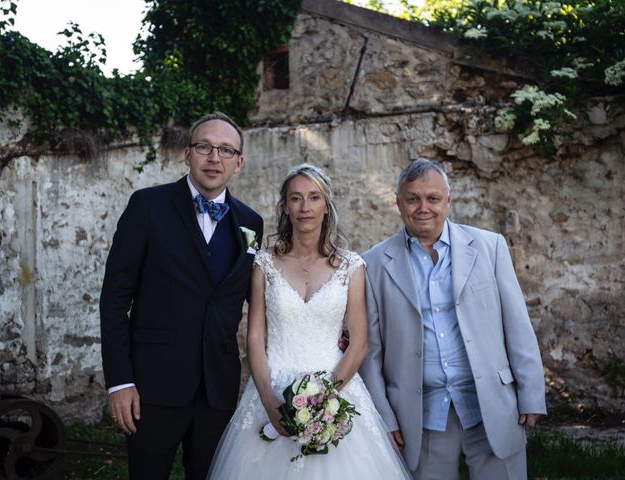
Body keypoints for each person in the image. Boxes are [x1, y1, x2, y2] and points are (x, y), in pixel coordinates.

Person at [207, 164, 411, 479]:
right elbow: (255, 338)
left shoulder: (351, 266)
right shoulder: (264, 263)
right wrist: (269, 399)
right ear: (285, 206)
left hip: (337, 387)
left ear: (326, 206)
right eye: (296, 198)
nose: (305, 207)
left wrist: (325, 398)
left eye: (314, 197)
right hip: (271, 387)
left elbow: (358, 343)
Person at [99, 111, 263, 479]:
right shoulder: (147, 206)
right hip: (151, 386)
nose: (214, 157)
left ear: (239, 162)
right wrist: (121, 381)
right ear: (187, 154)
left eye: (225, 150)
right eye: (204, 147)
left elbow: (257, 301)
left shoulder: (251, 223)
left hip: (217, 389)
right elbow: (114, 297)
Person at [359, 158, 546, 479]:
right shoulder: (373, 263)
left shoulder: (490, 247)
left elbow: (517, 326)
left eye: (432, 198)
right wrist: (384, 417)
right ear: (398, 202)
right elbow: (370, 351)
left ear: (448, 200)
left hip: (492, 404)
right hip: (420, 414)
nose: (423, 208)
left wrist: (531, 394)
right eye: (412, 198)